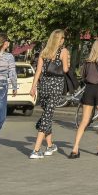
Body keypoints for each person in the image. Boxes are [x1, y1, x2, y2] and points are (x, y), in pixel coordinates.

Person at [69, 36, 98, 158]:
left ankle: (75, 148)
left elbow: (83, 76)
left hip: (89, 89)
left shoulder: (88, 60)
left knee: (84, 121)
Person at [29, 29, 69, 159]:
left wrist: (33, 87)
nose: (64, 40)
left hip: (44, 86)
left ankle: (50, 146)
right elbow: (65, 69)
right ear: (59, 39)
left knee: (47, 114)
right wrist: (67, 61)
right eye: (63, 38)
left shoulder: (44, 52)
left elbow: (38, 71)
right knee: (46, 117)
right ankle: (36, 150)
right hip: (56, 86)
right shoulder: (63, 51)